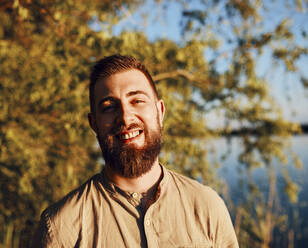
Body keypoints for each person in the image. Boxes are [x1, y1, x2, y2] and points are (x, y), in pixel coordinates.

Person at [32, 55, 239, 248]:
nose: (125, 117)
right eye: (109, 106)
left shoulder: (207, 205)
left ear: (160, 112)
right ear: (93, 123)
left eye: (137, 101)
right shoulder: (62, 227)